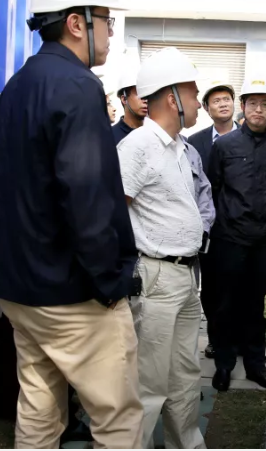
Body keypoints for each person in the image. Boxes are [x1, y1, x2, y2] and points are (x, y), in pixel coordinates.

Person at [0, 0, 143, 449]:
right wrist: (111, 281)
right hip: (72, 294)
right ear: (77, 23)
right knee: (117, 420)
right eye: (106, 20)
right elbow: (87, 197)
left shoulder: (15, 88)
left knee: (39, 410)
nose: (111, 33)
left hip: (20, 289)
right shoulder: (78, 87)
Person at [117, 47, 207, 449]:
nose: (198, 102)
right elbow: (113, 211)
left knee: (185, 375)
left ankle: (186, 443)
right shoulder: (138, 146)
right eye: (193, 94)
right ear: (172, 98)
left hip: (185, 276)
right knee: (149, 382)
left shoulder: (179, 146)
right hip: (156, 276)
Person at [206, 76, 266, 392]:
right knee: (225, 304)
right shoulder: (224, 146)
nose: (258, 109)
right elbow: (213, 189)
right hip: (229, 239)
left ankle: (256, 364)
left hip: (265, 240)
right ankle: (224, 364)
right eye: (252, 103)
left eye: (265, 104)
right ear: (243, 106)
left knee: (255, 304)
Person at [187, 80, 238, 359]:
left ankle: (240, 339)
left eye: (226, 99)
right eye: (216, 101)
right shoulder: (194, 142)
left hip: (241, 227)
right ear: (206, 108)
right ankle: (216, 339)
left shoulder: (250, 137)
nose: (222, 104)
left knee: (241, 286)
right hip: (208, 227)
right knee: (212, 287)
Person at [111, 66, 148, 146]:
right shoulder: (110, 137)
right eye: (140, 93)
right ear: (124, 99)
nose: (146, 100)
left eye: (147, 94)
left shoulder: (155, 133)